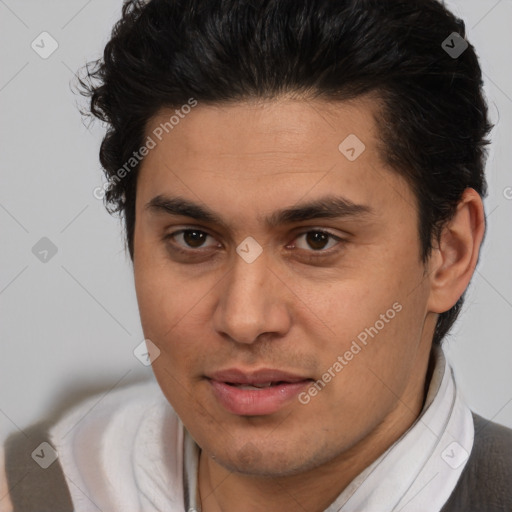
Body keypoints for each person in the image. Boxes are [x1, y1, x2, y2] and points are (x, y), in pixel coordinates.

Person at [2, 0, 511, 510]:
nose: (244, 319)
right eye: (194, 239)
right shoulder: (39, 485)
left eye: (317, 240)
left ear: (449, 252)